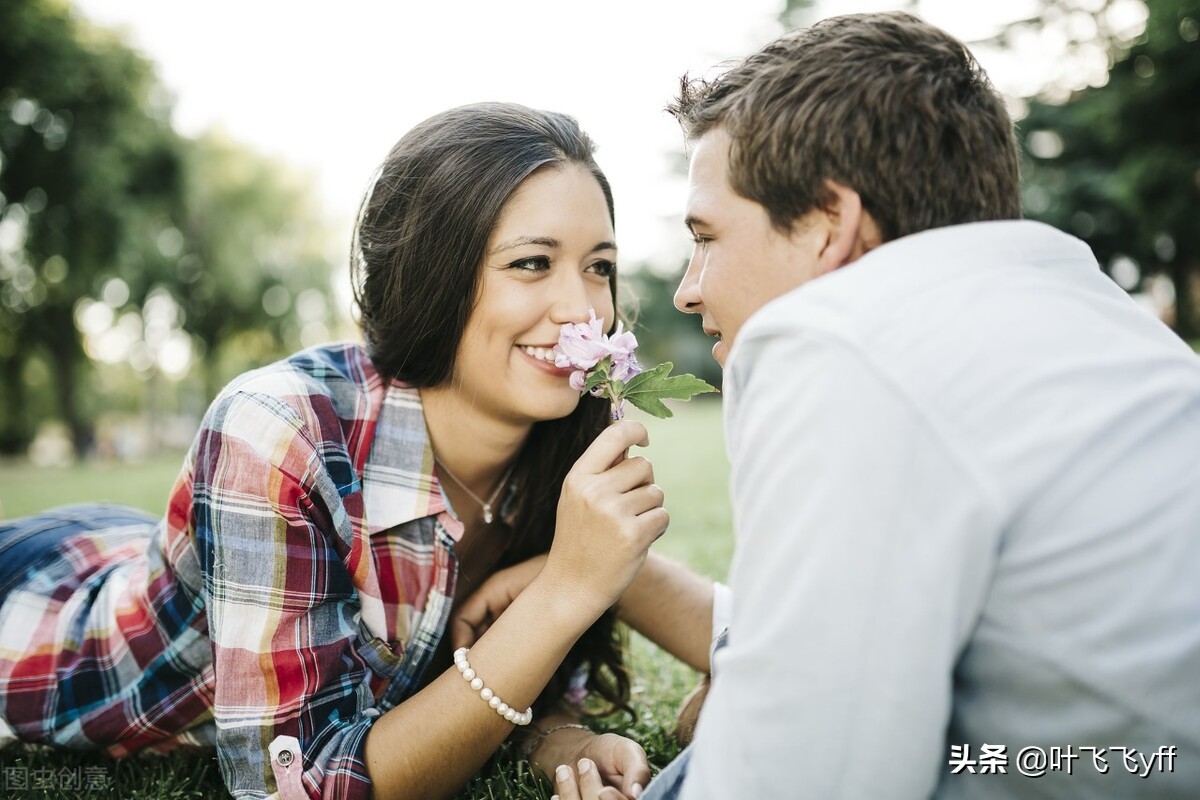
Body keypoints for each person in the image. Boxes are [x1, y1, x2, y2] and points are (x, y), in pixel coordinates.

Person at [549, 11, 1200, 800]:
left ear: (831, 224)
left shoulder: (839, 343)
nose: (689, 290)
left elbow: (807, 777)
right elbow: (845, 639)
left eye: (707, 236)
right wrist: (607, 583)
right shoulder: (1101, 322)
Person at [0, 102, 679, 800]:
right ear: (430, 275)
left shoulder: (561, 436)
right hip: (37, 623)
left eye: (599, 267)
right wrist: (565, 590)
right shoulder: (276, 428)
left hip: (136, 542)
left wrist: (564, 739)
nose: (583, 309)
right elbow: (293, 785)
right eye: (532, 263)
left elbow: (491, 682)